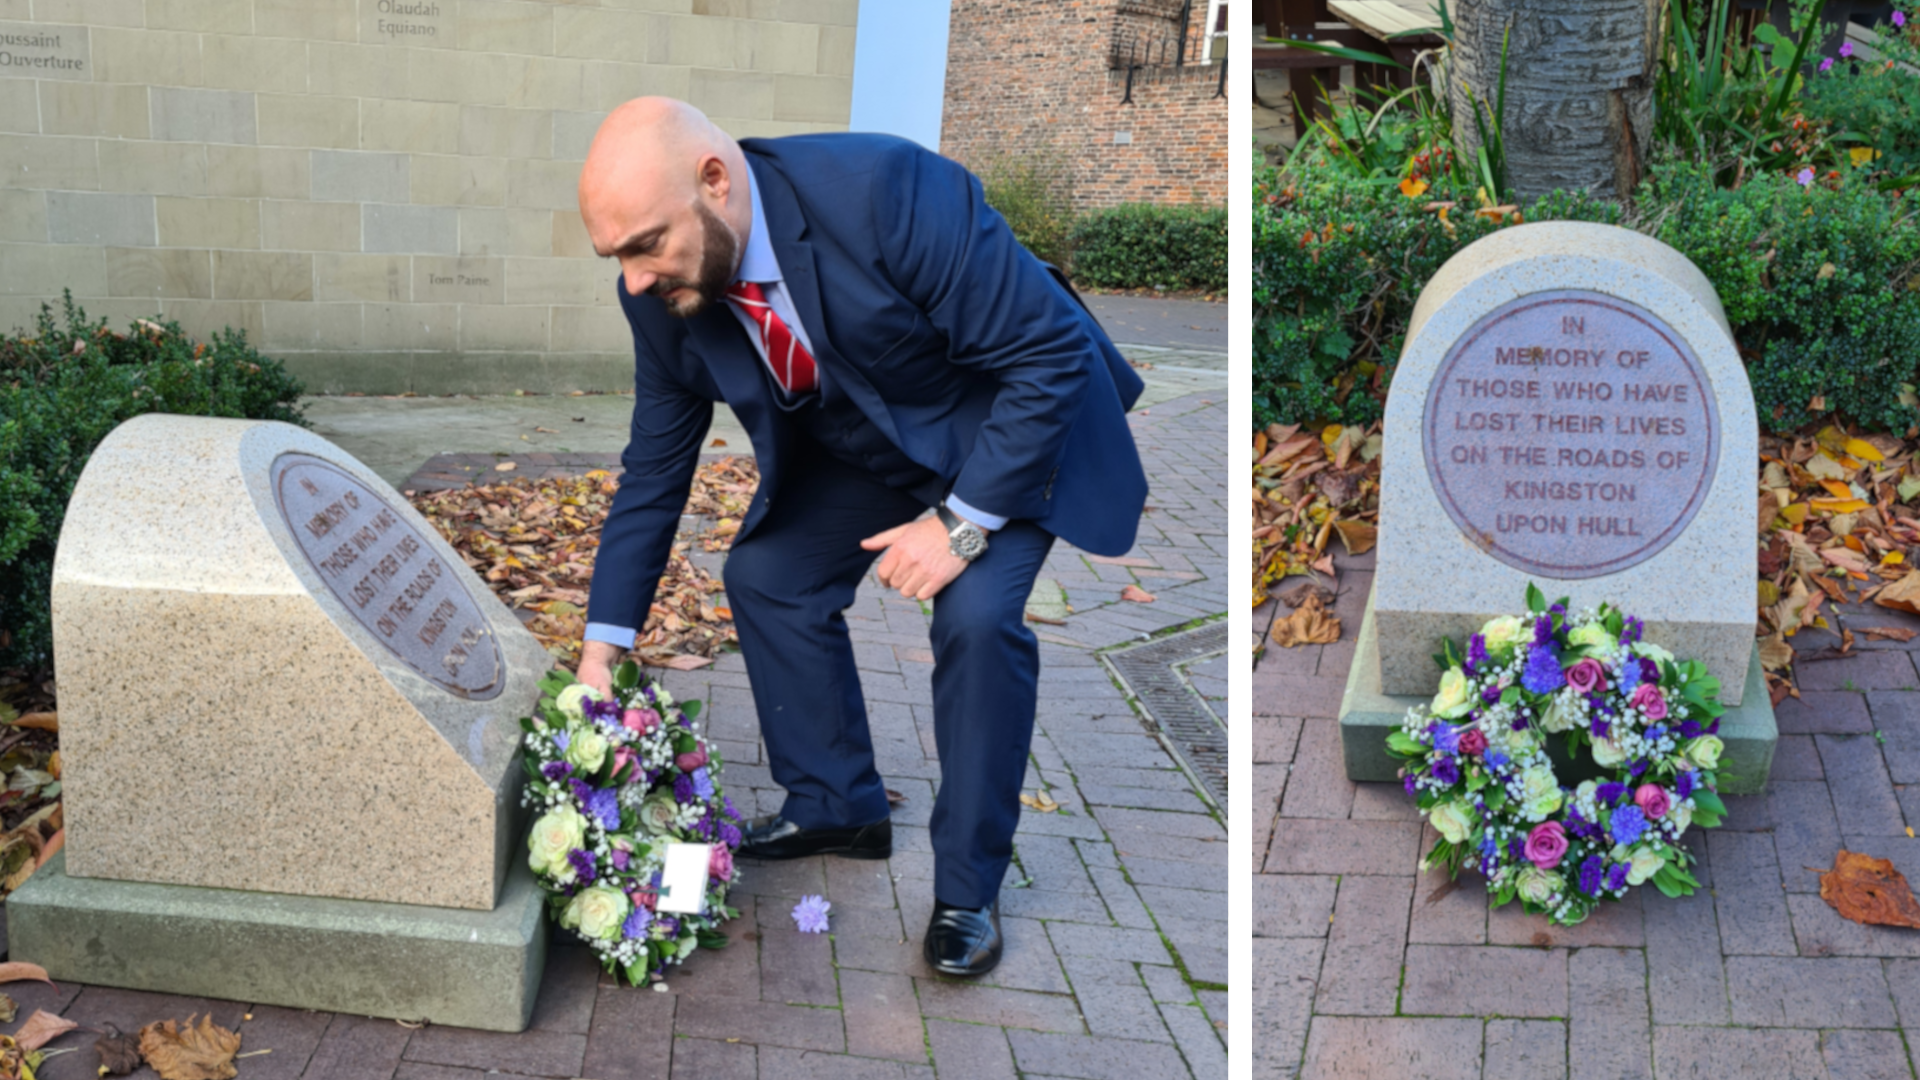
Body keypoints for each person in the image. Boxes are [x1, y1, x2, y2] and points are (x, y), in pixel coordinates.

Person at [573, 98, 1146, 977]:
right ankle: (839, 802)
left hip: (1004, 434)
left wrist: (958, 525)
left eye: (646, 244)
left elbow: (1052, 354)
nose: (636, 279)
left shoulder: (885, 189)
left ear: (715, 184)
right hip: (869, 448)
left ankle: (967, 889)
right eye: (617, 257)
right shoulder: (657, 293)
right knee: (768, 572)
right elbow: (655, 468)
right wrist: (602, 648)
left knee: (976, 617)